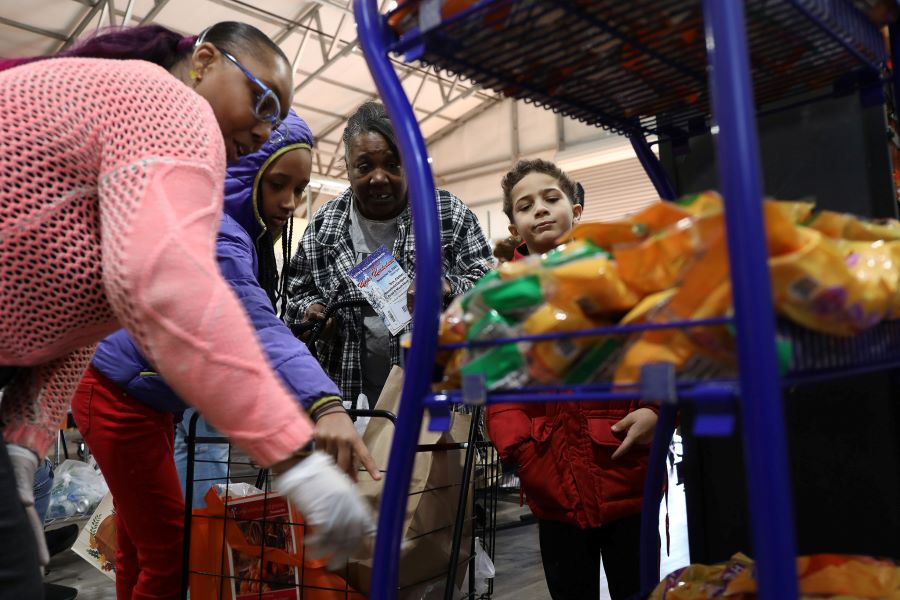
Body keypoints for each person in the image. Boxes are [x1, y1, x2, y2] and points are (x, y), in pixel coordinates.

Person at [0, 22, 371, 599]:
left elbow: (74, 325)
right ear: (203, 61)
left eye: (278, 117)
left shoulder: (165, 173)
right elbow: (168, 292)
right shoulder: (172, 105)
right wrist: (296, 457)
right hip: (128, 394)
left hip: (117, 392)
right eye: (262, 100)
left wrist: (23, 448)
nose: (265, 127)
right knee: (159, 543)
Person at [77, 108, 379, 597]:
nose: (290, 202)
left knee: (139, 542)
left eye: (300, 190)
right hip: (120, 398)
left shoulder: (236, 230)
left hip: (144, 396)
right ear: (245, 173)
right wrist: (324, 402)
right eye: (278, 184)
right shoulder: (219, 234)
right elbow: (255, 326)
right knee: (168, 550)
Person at [485, 159, 658, 600]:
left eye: (551, 198)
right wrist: (522, 452)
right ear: (513, 226)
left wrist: (656, 411)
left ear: (576, 210)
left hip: (626, 469)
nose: (540, 210)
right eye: (525, 206)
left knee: (638, 590)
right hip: (552, 480)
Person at [285, 101, 494, 405]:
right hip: (351, 406)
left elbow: (489, 286)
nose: (379, 178)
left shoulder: (447, 215)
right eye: (365, 166)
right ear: (348, 169)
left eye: (393, 164)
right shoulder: (325, 225)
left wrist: (446, 287)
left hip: (435, 403)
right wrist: (313, 311)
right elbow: (297, 294)